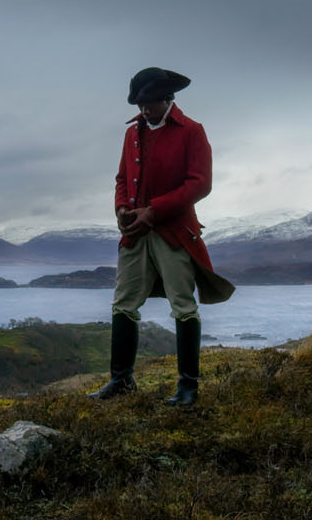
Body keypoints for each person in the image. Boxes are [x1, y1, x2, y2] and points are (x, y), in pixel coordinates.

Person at [89, 67, 236, 406]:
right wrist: (122, 209)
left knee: (183, 306)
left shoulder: (192, 131)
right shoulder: (132, 134)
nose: (144, 110)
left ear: (168, 98)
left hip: (172, 231)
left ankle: (188, 386)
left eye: (149, 103)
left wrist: (153, 211)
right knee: (123, 303)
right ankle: (121, 380)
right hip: (135, 233)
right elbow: (122, 178)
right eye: (140, 104)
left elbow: (200, 184)